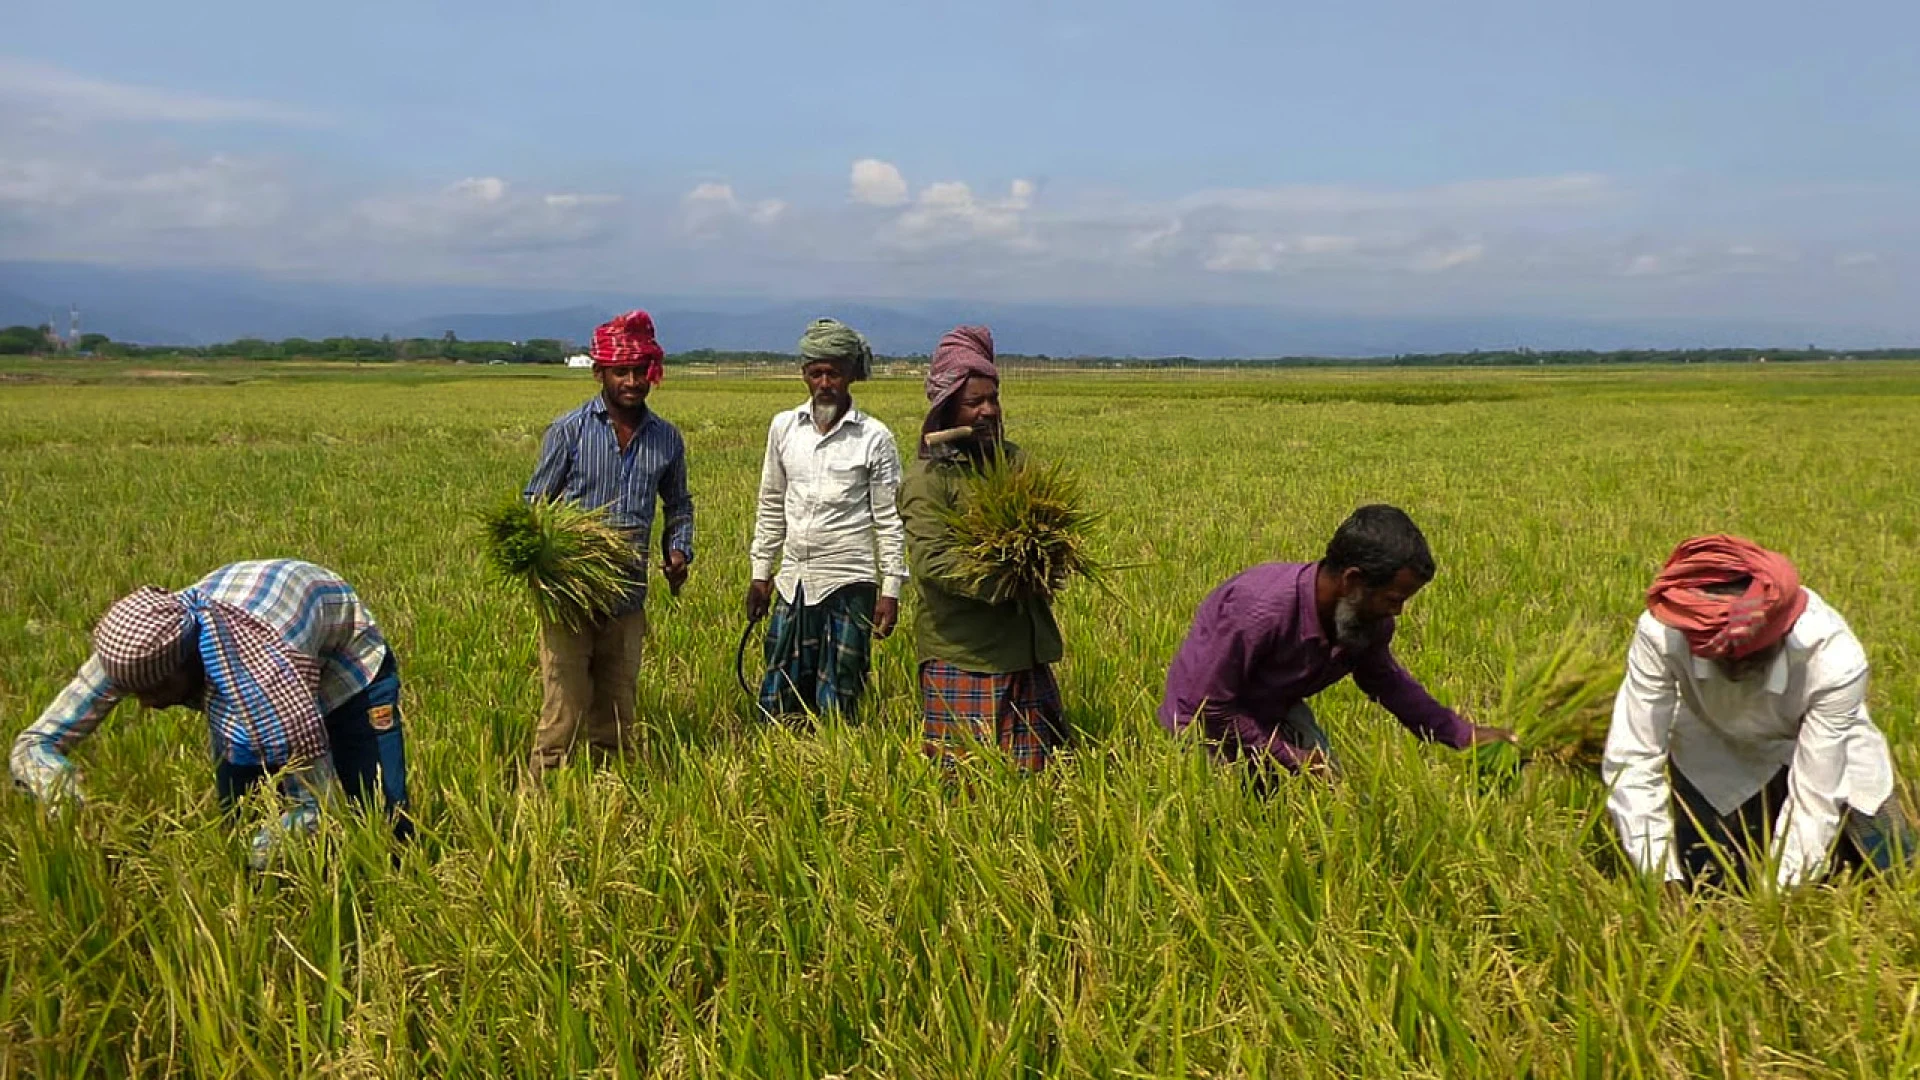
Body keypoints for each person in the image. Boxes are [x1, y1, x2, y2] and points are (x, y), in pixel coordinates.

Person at [9, 559, 410, 868]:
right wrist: (60, 791)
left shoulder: (262, 686)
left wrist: (257, 855)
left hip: (347, 669)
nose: (146, 705)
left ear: (193, 663)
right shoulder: (137, 646)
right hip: (267, 636)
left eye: (157, 692)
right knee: (240, 814)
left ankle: (392, 884)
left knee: (381, 807)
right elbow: (35, 741)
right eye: (132, 693)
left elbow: (315, 807)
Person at [1603, 534, 1913, 889]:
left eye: (1748, 656)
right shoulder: (1663, 632)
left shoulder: (1833, 659)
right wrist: (1660, 878)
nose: (1736, 670)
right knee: (1705, 879)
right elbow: (1634, 757)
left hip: (1815, 747)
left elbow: (1815, 798)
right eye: (1722, 659)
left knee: (1891, 873)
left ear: (1781, 632)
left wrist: (1780, 898)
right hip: (1713, 742)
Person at [1159, 505, 1513, 779]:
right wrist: (1291, 759)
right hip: (1203, 723)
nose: (1399, 612)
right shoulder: (1259, 610)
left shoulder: (1367, 620)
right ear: (1352, 580)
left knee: (1331, 796)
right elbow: (1214, 707)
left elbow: (1388, 684)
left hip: (1272, 708)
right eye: (1393, 598)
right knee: (1235, 812)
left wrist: (1462, 734)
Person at [523, 310, 694, 774]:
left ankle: (609, 798)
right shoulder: (570, 431)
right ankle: (536, 804)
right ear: (600, 373)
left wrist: (678, 551)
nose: (633, 381)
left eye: (641, 371)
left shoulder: (666, 439)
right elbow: (534, 506)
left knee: (617, 713)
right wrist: (553, 558)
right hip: (570, 600)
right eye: (622, 371)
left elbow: (679, 505)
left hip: (626, 597)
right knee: (564, 708)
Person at [898, 325, 1065, 771]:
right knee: (967, 784)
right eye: (975, 402)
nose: (989, 411)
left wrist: (1051, 560)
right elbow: (933, 563)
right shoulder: (928, 480)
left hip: (1024, 650)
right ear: (948, 406)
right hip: (965, 654)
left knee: (1036, 778)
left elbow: (1047, 530)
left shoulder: (1017, 464)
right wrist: (1006, 578)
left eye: (994, 399)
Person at [746, 318, 908, 719]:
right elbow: (771, 503)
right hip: (793, 581)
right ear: (803, 374)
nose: (824, 383)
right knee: (780, 689)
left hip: (849, 581)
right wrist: (760, 572)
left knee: (840, 693)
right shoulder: (784, 428)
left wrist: (891, 589)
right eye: (815, 373)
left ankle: (837, 766)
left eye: (833, 373)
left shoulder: (874, 437)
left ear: (851, 374)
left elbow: (889, 519)